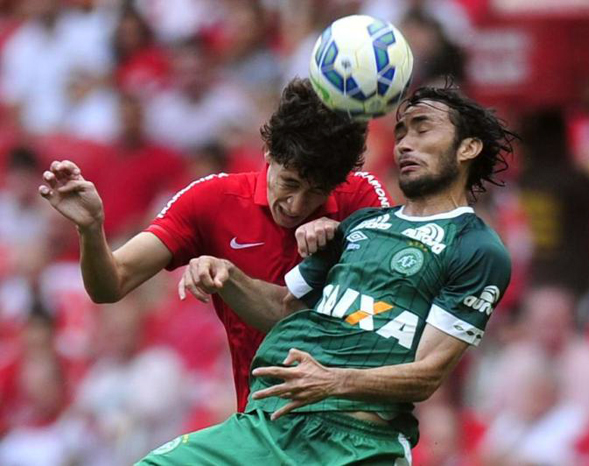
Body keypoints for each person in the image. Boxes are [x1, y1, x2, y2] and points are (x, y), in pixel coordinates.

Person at [142, 85, 516, 464]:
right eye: (401, 132)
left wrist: (333, 381)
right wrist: (226, 273)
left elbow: (427, 375)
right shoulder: (360, 225)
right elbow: (284, 307)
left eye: (422, 129)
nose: (404, 143)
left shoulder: (476, 248)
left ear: (468, 148)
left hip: (357, 445)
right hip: (270, 427)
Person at [38, 78, 392, 412]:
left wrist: (345, 239)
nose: (296, 205)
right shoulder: (212, 201)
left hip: (355, 419)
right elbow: (110, 284)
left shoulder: (361, 197)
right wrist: (90, 228)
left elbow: (384, 311)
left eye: (316, 192)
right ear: (268, 152)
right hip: (263, 421)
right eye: (290, 182)